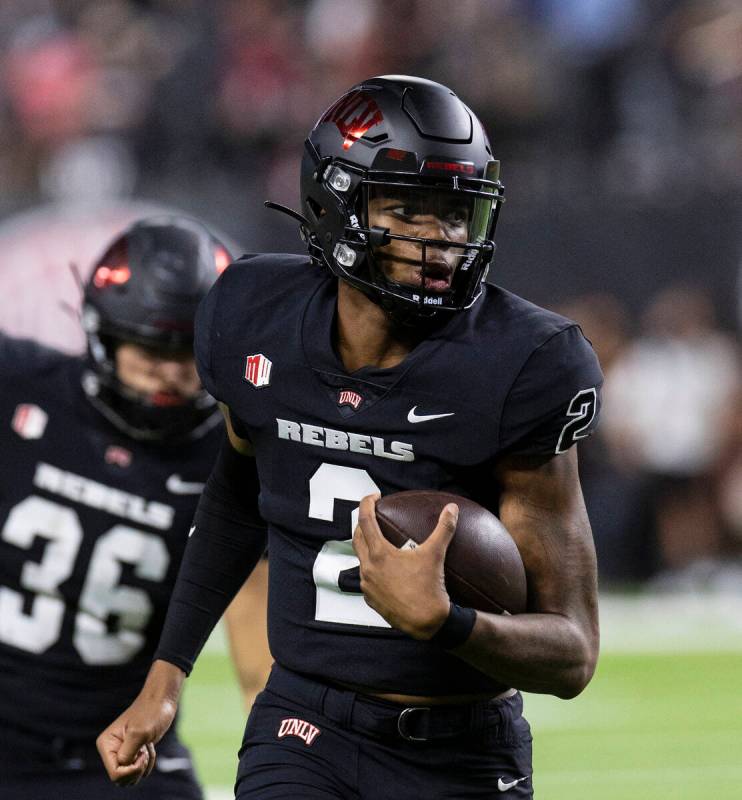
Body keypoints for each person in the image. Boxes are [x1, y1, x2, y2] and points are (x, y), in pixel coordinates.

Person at [98, 76, 603, 799]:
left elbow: (573, 653)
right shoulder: (251, 314)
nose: (441, 240)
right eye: (408, 209)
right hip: (303, 727)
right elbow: (239, 497)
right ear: (333, 204)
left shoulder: (525, 364)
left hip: (459, 749)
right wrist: (166, 675)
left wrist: (451, 623)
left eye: (457, 213)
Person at [0, 216, 233, 799]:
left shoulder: (230, 456)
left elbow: (257, 622)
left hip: (118, 748)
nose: (174, 375)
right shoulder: (20, 385)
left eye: (192, 355)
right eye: (154, 351)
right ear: (106, 333)